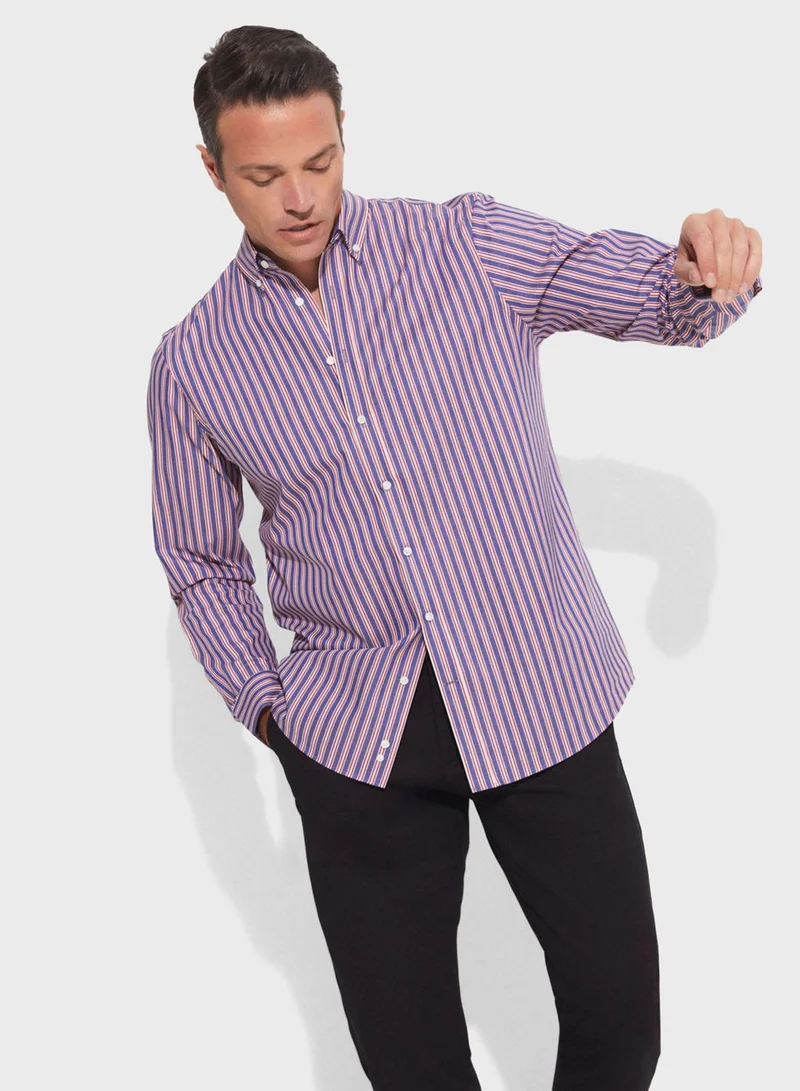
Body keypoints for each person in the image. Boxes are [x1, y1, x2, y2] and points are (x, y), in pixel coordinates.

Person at [146, 24, 763, 1091]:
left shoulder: (464, 245)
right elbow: (200, 561)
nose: (300, 197)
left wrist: (703, 266)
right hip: (358, 736)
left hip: (540, 691)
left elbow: (648, 297)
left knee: (622, 1026)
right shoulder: (194, 361)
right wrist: (272, 715)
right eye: (263, 175)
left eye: (320, 161)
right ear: (212, 169)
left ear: (345, 133)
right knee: (411, 1066)